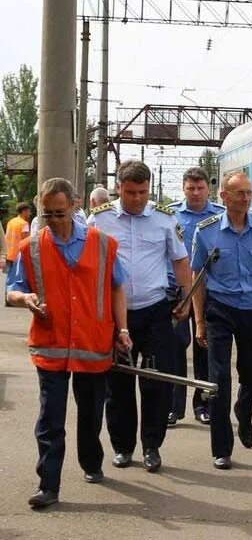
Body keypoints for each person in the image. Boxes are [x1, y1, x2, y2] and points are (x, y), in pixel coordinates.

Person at [5, 177, 132, 509]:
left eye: (60, 213)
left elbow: (118, 287)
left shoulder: (103, 244)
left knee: (90, 414)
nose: (55, 221)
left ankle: (91, 462)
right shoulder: (30, 247)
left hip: (93, 343)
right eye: (48, 215)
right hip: (51, 346)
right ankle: (48, 485)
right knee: (50, 419)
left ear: (75, 206)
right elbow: (12, 290)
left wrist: (122, 330)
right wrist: (25, 298)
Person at [87, 160, 191, 473]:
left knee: (156, 382)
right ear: (119, 188)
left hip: (156, 311)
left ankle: (151, 446)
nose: (137, 198)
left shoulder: (163, 219)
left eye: (143, 192)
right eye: (131, 192)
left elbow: (181, 261)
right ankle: (122, 447)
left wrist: (185, 298)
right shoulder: (100, 219)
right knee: (117, 383)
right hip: (115, 316)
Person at [190, 170, 252, 470]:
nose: (245, 199)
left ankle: (244, 410)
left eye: (248, 193)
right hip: (219, 310)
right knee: (219, 381)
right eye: (238, 193)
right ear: (224, 197)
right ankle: (222, 448)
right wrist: (200, 322)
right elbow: (198, 277)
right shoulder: (206, 231)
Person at [167, 167, 226, 427]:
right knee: (176, 348)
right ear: (183, 189)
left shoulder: (219, 216)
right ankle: (173, 406)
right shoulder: (170, 214)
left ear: (208, 189)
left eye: (200, 188)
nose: (195, 193)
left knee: (205, 348)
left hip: (209, 291)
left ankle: (203, 404)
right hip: (178, 291)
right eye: (190, 188)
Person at [5, 202, 31, 270]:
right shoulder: (24, 224)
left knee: (9, 277)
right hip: (18, 256)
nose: (30, 213)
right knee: (18, 278)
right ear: (24, 211)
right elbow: (26, 242)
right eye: (28, 211)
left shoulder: (11, 222)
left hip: (9, 254)